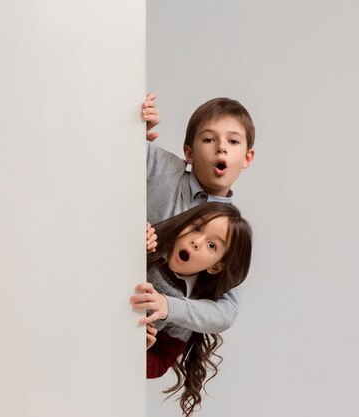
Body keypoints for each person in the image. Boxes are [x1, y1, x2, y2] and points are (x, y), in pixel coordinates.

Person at [133, 94, 256, 335]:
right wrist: (136, 129)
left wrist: (169, 307)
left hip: (148, 336)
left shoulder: (230, 232)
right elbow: (117, 150)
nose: (221, 147)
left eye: (233, 142)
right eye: (209, 139)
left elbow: (226, 313)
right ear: (189, 153)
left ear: (247, 158)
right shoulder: (165, 170)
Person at [141, 202, 252, 417]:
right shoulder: (154, 245)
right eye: (196, 228)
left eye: (212, 246)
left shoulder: (186, 309)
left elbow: (159, 365)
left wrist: (140, 350)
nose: (195, 241)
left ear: (215, 266)